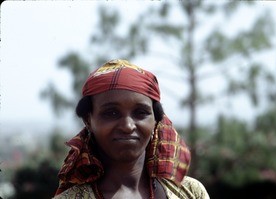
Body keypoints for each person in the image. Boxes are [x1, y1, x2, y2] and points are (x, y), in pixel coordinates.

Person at [53, 59, 210, 199]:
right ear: (88, 120)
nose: (128, 126)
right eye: (111, 113)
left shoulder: (190, 192)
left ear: (156, 120)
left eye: (140, 113)